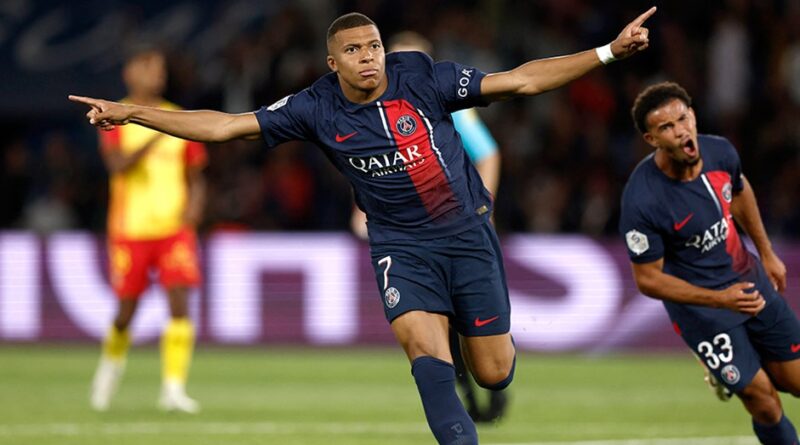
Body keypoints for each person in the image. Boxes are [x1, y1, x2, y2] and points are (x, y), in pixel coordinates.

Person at [71, 9, 654, 443]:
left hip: (466, 233)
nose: (369, 56)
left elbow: (521, 80)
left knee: (494, 374)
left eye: (374, 46)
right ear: (334, 63)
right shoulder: (315, 106)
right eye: (354, 50)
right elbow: (225, 126)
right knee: (425, 355)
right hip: (400, 245)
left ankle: (468, 332)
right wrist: (135, 112)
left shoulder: (421, 76)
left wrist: (608, 52)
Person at [620, 81, 800, 445]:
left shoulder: (721, 152)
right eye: (666, 127)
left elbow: (740, 192)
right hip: (703, 313)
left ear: (693, 115)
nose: (680, 130)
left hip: (749, 282)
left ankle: (729, 370)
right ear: (652, 139)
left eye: (683, 118)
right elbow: (649, 280)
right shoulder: (643, 200)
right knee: (764, 402)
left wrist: (766, 252)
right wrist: (720, 300)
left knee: (794, 381)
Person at [349, 30, 506, 423]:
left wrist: (484, 205)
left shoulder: (446, 103)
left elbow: (488, 153)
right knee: (435, 325)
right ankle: (466, 395)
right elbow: (370, 169)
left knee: (468, 321)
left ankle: (487, 382)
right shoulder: (367, 110)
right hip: (410, 235)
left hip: (457, 226)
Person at [88, 47, 207, 414]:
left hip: (173, 228)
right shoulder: (114, 115)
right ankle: (109, 369)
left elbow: (196, 175)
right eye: (150, 69)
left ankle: (173, 388)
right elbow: (117, 166)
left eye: (160, 69)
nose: (158, 75)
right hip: (131, 229)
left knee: (180, 305)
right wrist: (154, 132)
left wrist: (195, 206)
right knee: (126, 311)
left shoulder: (180, 118)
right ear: (131, 74)